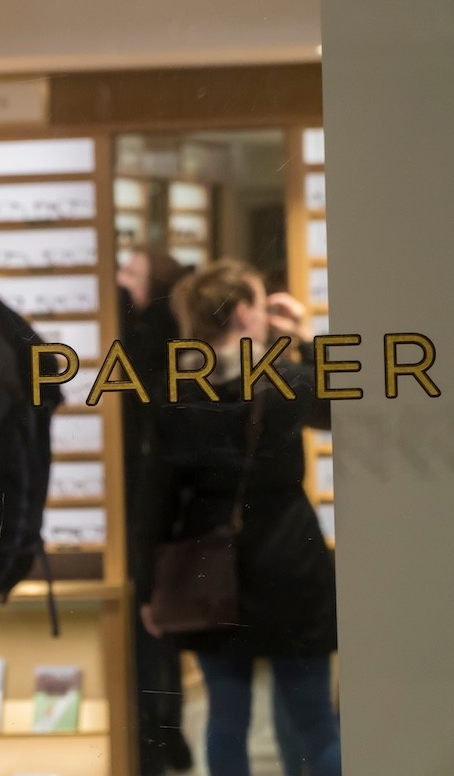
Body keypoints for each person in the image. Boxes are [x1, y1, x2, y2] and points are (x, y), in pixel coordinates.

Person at [135, 259, 341, 776]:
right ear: (248, 313)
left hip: (210, 571)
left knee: (225, 722)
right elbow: (343, 407)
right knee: (315, 720)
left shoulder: (178, 390)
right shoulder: (284, 380)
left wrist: (148, 590)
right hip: (291, 561)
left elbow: (154, 501)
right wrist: (306, 334)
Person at [116, 247, 194, 774]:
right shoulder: (169, 337)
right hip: (166, 502)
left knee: (150, 620)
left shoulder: (143, 338)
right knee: (160, 624)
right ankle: (166, 730)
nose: (120, 280)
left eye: (130, 272)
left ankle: (155, 735)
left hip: (146, 500)